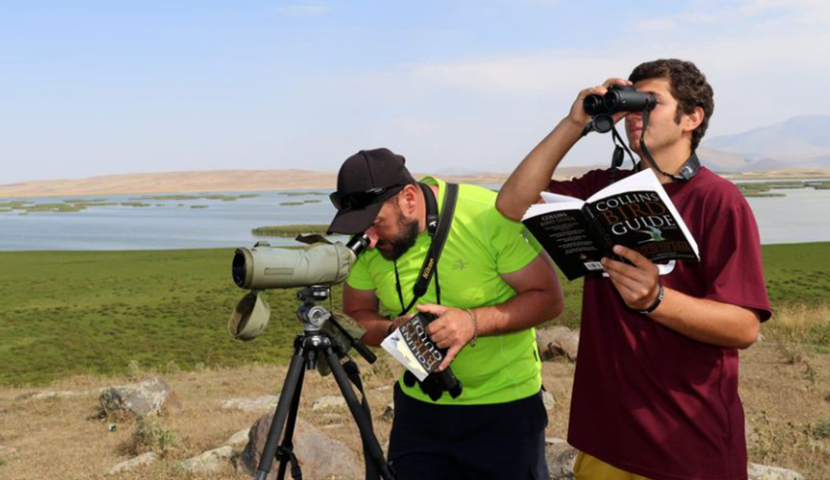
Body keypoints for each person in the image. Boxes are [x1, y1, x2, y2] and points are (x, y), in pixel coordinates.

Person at [496, 59, 771, 480]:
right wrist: (575, 123)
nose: (636, 115)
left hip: (686, 444)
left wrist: (655, 300)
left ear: (691, 118)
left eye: (651, 102)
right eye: (631, 104)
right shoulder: (600, 188)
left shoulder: (718, 200)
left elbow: (744, 326)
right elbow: (512, 203)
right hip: (606, 438)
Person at [327, 148, 564, 480]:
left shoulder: (487, 215)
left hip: (504, 410)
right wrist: (391, 330)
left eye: (377, 223)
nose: (370, 239)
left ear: (409, 199)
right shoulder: (369, 242)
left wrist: (472, 323)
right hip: (419, 411)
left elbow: (549, 299)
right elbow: (356, 316)